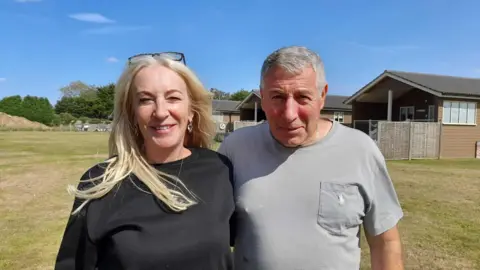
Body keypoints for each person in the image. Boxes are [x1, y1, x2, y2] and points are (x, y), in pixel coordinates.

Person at [218, 46, 404, 270]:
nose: (289, 113)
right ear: (262, 97)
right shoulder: (235, 148)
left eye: (302, 97)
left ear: (322, 96)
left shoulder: (360, 150)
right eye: (277, 97)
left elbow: (385, 242)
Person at [55, 52, 235, 270]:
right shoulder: (101, 183)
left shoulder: (219, 169)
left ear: (191, 111)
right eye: (146, 100)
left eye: (173, 98)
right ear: (132, 113)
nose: (160, 112)